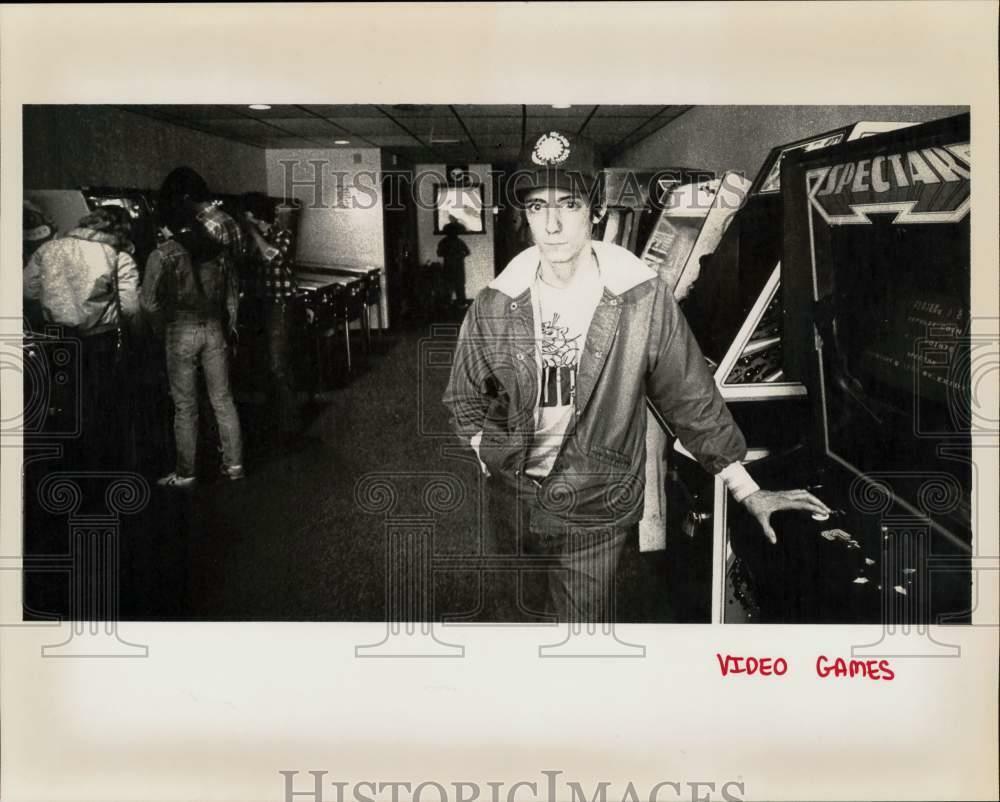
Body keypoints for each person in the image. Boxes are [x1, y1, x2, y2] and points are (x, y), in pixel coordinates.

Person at [442, 130, 830, 622]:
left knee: (577, 642)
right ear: (525, 215)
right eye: (538, 207)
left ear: (596, 211)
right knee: (519, 621)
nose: (554, 224)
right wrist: (488, 456)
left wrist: (745, 488)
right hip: (512, 500)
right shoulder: (496, 302)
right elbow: (462, 396)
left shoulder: (641, 298)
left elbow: (689, 396)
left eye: (569, 203)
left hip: (595, 503)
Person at [141, 187, 244, 488]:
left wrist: (162, 328)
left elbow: (148, 303)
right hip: (214, 328)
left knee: (185, 405)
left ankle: (186, 473)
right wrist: (231, 327)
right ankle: (234, 465)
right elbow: (232, 297)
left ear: (168, 225)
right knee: (223, 400)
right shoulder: (218, 250)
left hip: (180, 329)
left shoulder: (163, 253)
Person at [23, 205, 140, 466]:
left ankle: (65, 461)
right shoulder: (118, 256)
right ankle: (99, 463)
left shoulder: (49, 248)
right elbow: (131, 307)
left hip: (56, 337)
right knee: (101, 402)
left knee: (64, 400)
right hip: (101, 338)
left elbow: (28, 290)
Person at [240, 191, 300, 439]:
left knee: (278, 364)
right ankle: (273, 419)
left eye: (246, 214)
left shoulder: (282, 233)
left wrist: (252, 231)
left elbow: (272, 255)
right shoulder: (255, 236)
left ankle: (290, 425)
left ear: (254, 214)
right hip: (261, 304)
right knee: (265, 363)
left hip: (280, 305)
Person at [436, 220, 471, 308]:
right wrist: (459, 256)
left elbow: (439, 253)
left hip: (450, 266)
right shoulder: (459, 242)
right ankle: (460, 303)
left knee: (449, 286)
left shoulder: (443, 242)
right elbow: (467, 252)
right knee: (458, 286)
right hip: (457, 267)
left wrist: (448, 254)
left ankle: (448, 303)